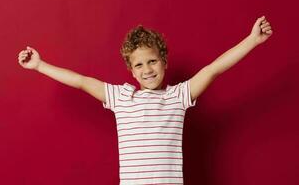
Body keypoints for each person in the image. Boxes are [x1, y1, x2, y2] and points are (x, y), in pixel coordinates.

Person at [18, 16, 273, 184]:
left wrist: (252, 40)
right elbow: (82, 81)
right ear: (131, 70)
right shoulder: (121, 97)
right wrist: (40, 66)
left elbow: (214, 68)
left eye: (152, 61)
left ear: (164, 62)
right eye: (139, 64)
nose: (147, 69)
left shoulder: (178, 96)